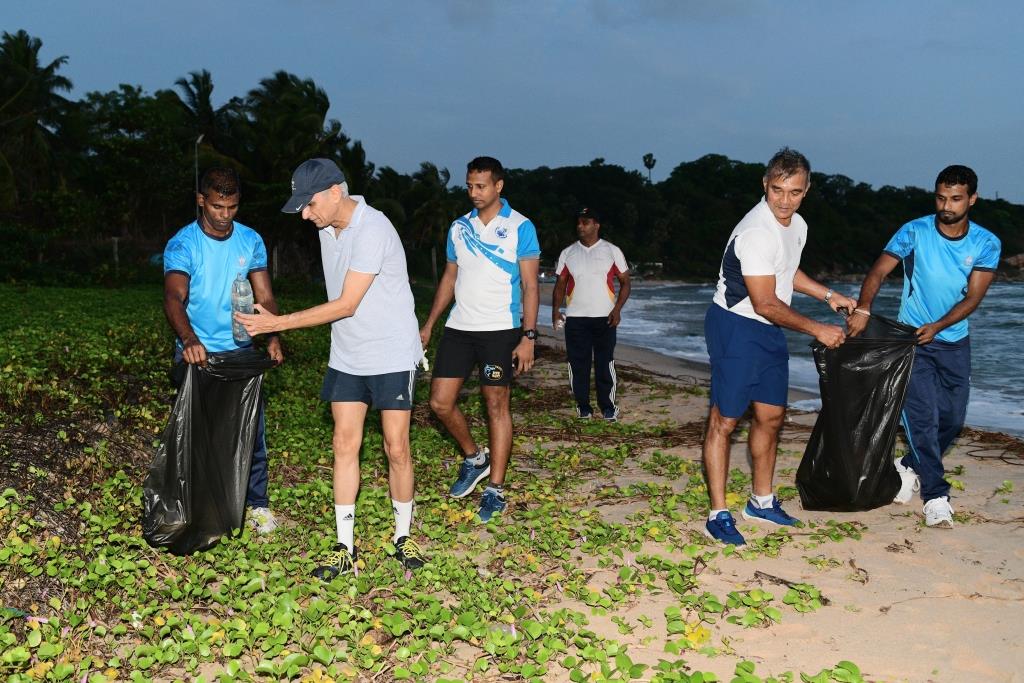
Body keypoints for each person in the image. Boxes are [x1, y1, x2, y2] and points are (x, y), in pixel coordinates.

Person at [236, 158, 427, 577]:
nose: (305, 214)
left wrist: (277, 324)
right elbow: (341, 308)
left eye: (309, 204)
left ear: (335, 192)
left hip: (391, 351)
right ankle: (344, 546)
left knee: (396, 446)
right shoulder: (327, 229)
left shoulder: (374, 229)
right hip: (347, 353)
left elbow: (346, 303)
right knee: (344, 443)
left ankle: (403, 535)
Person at [701, 147, 856, 546]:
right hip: (736, 326)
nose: (785, 201)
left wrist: (827, 294)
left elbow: (785, 270)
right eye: (777, 191)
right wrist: (819, 330)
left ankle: (761, 501)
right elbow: (765, 302)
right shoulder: (755, 231)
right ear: (764, 185)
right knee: (725, 420)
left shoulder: (797, 225)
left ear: (807, 190)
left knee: (771, 417)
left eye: (795, 192)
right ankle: (718, 513)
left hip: (769, 328)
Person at [848, 165, 1000, 529]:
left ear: (972, 199)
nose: (946, 205)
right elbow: (878, 272)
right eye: (941, 197)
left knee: (953, 418)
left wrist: (941, 325)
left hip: (953, 341)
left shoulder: (986, 242)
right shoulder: (914, 231)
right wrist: (865, 307)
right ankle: (936, 496)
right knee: (923, 419)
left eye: (956, 198)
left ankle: (910, 465)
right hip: (911, 339)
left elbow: (973, 298)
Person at [163, 167, 284, 535]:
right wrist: (189, 341)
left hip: (241, 351)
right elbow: (173, 297)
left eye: (231, 207)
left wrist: (274, 334)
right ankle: (197, 504)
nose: (224, 215)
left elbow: (264, 295)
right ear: (202, 200)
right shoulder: (183, 244)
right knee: (197, 432)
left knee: (251, 431)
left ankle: (257, 505)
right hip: (197, 352)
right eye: (217, 206)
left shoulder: (250, 240)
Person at [419, 156, 541, 523]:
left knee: (496, 405)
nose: (474, 192)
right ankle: (475, 458)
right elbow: (449, 279)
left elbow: (532, 286)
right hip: (460, 328)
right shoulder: (459, 228)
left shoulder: (520, 227)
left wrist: (528, 336)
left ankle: (495, 489)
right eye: (470, 186)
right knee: (439, 403)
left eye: (481, 186)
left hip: (500, 330)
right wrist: (429, 323)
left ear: (499, 186)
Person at [551, 207, 631, 421]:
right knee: (578, 364)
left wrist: (617, 310)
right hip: (576, 318)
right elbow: (559, 285)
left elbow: (625, 283)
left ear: (596, 225)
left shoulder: (612, 250)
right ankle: (583, 406)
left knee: (605, 363)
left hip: (605, 317)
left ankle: (608, 407)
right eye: (578, 222)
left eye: (585, 222)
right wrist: (555, 311)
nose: (580, 226)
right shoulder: (568, 253)